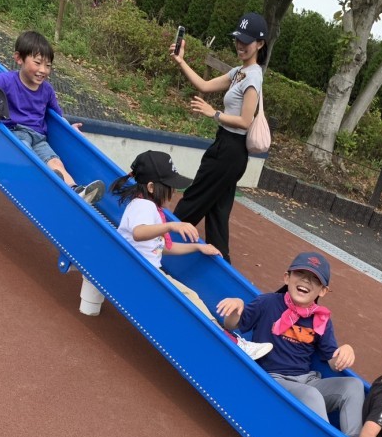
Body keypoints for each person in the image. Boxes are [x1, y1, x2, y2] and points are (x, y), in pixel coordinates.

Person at [110, 150, 272, 361]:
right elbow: (139, 233)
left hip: (145, 272)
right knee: (190, 300)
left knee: (190, 298)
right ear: (151, 187)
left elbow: (160, 247)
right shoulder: (144, 205)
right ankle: (230, 343)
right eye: (169, 187)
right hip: (142, 275)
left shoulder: (147, 207)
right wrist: (172, 225)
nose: (173, 192)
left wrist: (197, 247)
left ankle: (227, 339)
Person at [216, 251, 365, 437]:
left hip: (307, 381)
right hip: (273, 379)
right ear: (287, 277)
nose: (306, 280)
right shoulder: (268, 302)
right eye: (300, 273)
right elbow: (231, 326)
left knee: (353, 385)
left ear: (322, 291)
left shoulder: (321, 319)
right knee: (311, 395)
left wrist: (346, 350)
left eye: (315, 279)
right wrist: (237, 307)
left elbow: (333, 363)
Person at [170, 12, 268, 264]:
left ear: (260, 44)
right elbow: (204, 85)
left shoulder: (253, 77)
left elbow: (245, 121)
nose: (240, 45)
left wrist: (213, 113)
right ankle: (222, 265)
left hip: (230, 150)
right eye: (238, 39)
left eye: (246, 41)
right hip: (227, 148)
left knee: (193, 200)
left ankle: (161, 243)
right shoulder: (239, 72)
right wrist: (181, 61)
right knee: (217, 212)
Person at [0, 30, 104, 204]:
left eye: (48, 66)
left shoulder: (47, 90)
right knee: (25, 152)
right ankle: (47, 181)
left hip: (39, 138)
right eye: (38, 63)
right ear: (19, 58)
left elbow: (58, 117)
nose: (43, 70)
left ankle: (76, 191)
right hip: (17, 133)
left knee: (56, 162)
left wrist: (70, 129)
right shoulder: (8, 80)